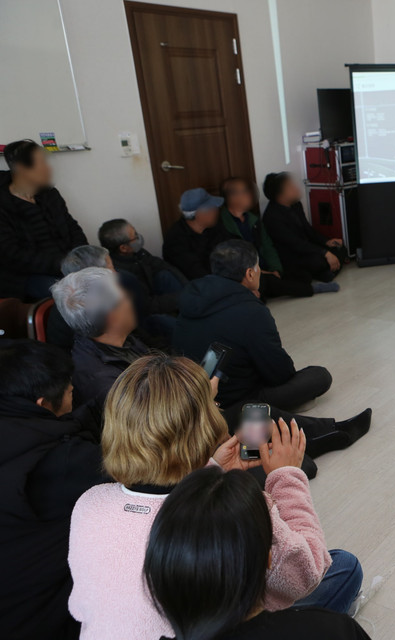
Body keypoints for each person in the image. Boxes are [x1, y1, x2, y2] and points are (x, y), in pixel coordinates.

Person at [68, 354, 364, 640]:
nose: (218, 408)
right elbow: (305, 573)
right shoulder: (230, 511)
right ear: (203, 426)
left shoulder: (90, 503)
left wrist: (213, 469)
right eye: (213, 403)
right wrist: (287, 477)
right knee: (344, 566)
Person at [172, 241, 371, 452]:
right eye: (258, 267)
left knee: (252, 417)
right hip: (236, 405)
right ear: (250, 273)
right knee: (319, 376)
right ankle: (328, 434)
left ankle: (325, 432)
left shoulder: (191, 299)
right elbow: (280, 374)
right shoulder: (250, 311)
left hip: (197, 402)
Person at [144, 467, 371, 640]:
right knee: (346, 566)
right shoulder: (334, 630)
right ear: (268, 558)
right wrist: (287, 474)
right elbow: (307, 565)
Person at [0, 341, 107, 640]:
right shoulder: (59, 462)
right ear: (42, 403)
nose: (74, 393)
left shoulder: (16, 435)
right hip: (39, 617)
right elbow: (148, 474)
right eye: (70, 392)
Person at [0, 139, 87, 300]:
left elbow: (73, 228)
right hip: (27, 277)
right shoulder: (4, 204)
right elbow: (12, 255)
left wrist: (82, 256)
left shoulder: (50, 195)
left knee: (123, 280)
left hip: (67, 266)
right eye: (42, 163)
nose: (49, 168)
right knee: (75, 296)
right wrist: (63, 264)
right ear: (21, 168)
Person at [51, 267, 146, 410]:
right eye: (125, 297)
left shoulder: (116, 340)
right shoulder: (107, 385)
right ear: (113, 317)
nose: (131, 300)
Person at [220, 177, 330, 298]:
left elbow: (268, 247)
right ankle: (311, 289)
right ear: (232, 197)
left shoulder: (253, 219)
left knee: (302, 276)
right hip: (248, 274)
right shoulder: (223, 225)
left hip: (263, 267)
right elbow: (234, 261)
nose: (249, 195)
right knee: (268, 283)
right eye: (245, 191)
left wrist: (275, 269)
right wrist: (260, 272)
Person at [262, 172, 348, 284]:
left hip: (306, 248)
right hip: (292, 255)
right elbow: (295, 243)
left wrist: (326, 242)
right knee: (318, 261)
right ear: (280, 195)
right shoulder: (272, 217)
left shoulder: (296, 204)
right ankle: (325, 272)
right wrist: (324, 253)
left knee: (340, 248)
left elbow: (308, 230)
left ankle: (325, 273)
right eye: (290, 187)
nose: (295, 188)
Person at [99, 218, 187, 315]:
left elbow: (162, 265)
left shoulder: (137, 252)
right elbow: (147, 306)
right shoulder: (121, 275)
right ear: (123, 248)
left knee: (165, 275)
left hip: (153, 296)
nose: (139, 237)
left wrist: (189, 288)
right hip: (144, 314)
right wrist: (182, 297)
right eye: (135, 236)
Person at [162, 187, 232, 280]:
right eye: (213, 208)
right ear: (200, 214)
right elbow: (198, 274)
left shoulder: (214, 226)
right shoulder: (175, 241)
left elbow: (232, 248)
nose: (217, 211)